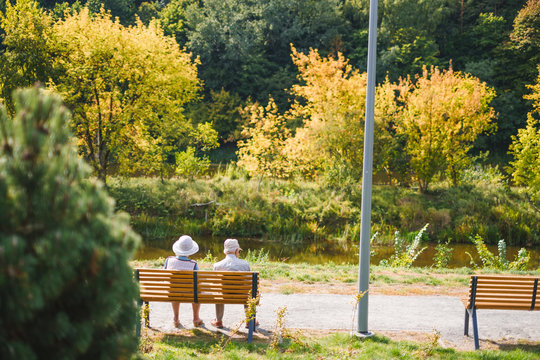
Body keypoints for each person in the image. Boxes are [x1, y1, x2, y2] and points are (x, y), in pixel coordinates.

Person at [164, 235, 204, 328]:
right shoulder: (193, 264)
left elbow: (165, 276)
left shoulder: (168, 260)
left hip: (172, 292)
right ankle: (196, 318)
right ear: (190, 251)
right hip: (190, 293)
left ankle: (176, 319)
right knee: (197, 291)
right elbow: (198, 280)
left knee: (174, 288)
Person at [210, 239, 251, 329]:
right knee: (248, 293)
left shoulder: (217, 265)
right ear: (236, 251)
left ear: (225, 252)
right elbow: (249, 283)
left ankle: (218, 320)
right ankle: (249, 320)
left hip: (224, 295)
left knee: (218, 291)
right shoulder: (245, 264)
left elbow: (215, 283)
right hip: (242, 295)